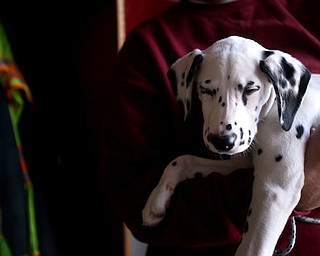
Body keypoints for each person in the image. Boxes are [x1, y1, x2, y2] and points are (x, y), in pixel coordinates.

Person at [102, 0, 320, 255]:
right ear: (188, 87)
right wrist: (300, 188)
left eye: (249, 90)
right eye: (206, 90)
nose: (225, 122)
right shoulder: (147, 47)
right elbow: (134, 199)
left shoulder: (308, 10)